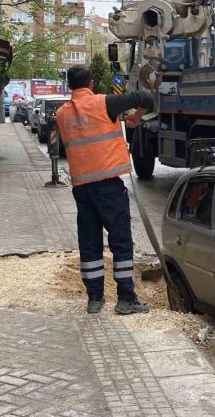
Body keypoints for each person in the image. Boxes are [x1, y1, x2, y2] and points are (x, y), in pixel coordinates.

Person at [56, 65, 153, 315]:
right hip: (108, 187)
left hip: (81, 189)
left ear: (69, 86)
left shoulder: (62, 113)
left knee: (90, 243)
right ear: (91, 83)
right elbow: (146, 98)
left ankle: (95, 299)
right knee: (120, 241)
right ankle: (126, 299)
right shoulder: (105, 103)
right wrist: (135, 117)